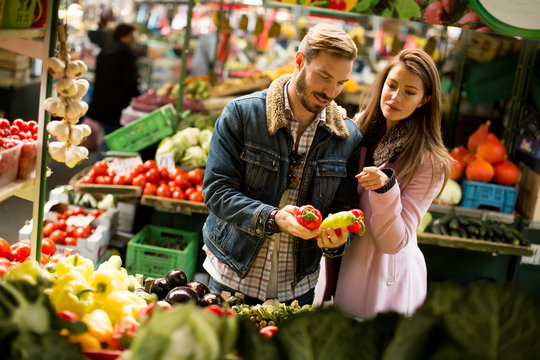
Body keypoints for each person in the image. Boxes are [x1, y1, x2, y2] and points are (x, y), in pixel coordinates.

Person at [201, 23, 362, 306]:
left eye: (341, 82)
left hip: (297, 286)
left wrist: (338, 241)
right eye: (324, 76)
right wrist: (273, 218)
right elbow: (217, 192)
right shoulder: (241, 114)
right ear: (299, 61)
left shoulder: (347, 137)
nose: (331, 91)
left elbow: (343, 209)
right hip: (232, 274)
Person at [321, 48, 451, 319]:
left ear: (425, 99)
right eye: (392, 85)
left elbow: (394, 242)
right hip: (343, 263)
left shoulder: (430, 162)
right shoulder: (357, 130)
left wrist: (385, 190)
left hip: (387, 282)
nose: (395, 97)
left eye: (409, 92)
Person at [87, 23, 140, 156]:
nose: (133, 39)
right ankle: (96, 168)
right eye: (131, 35)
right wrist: (138, 97)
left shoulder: (104, 51)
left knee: (108, 137)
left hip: (100, 103)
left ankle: (100, 167)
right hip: (117, 106)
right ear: (123, 36)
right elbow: (130, 82)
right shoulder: (126, 53)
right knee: (112, 141)